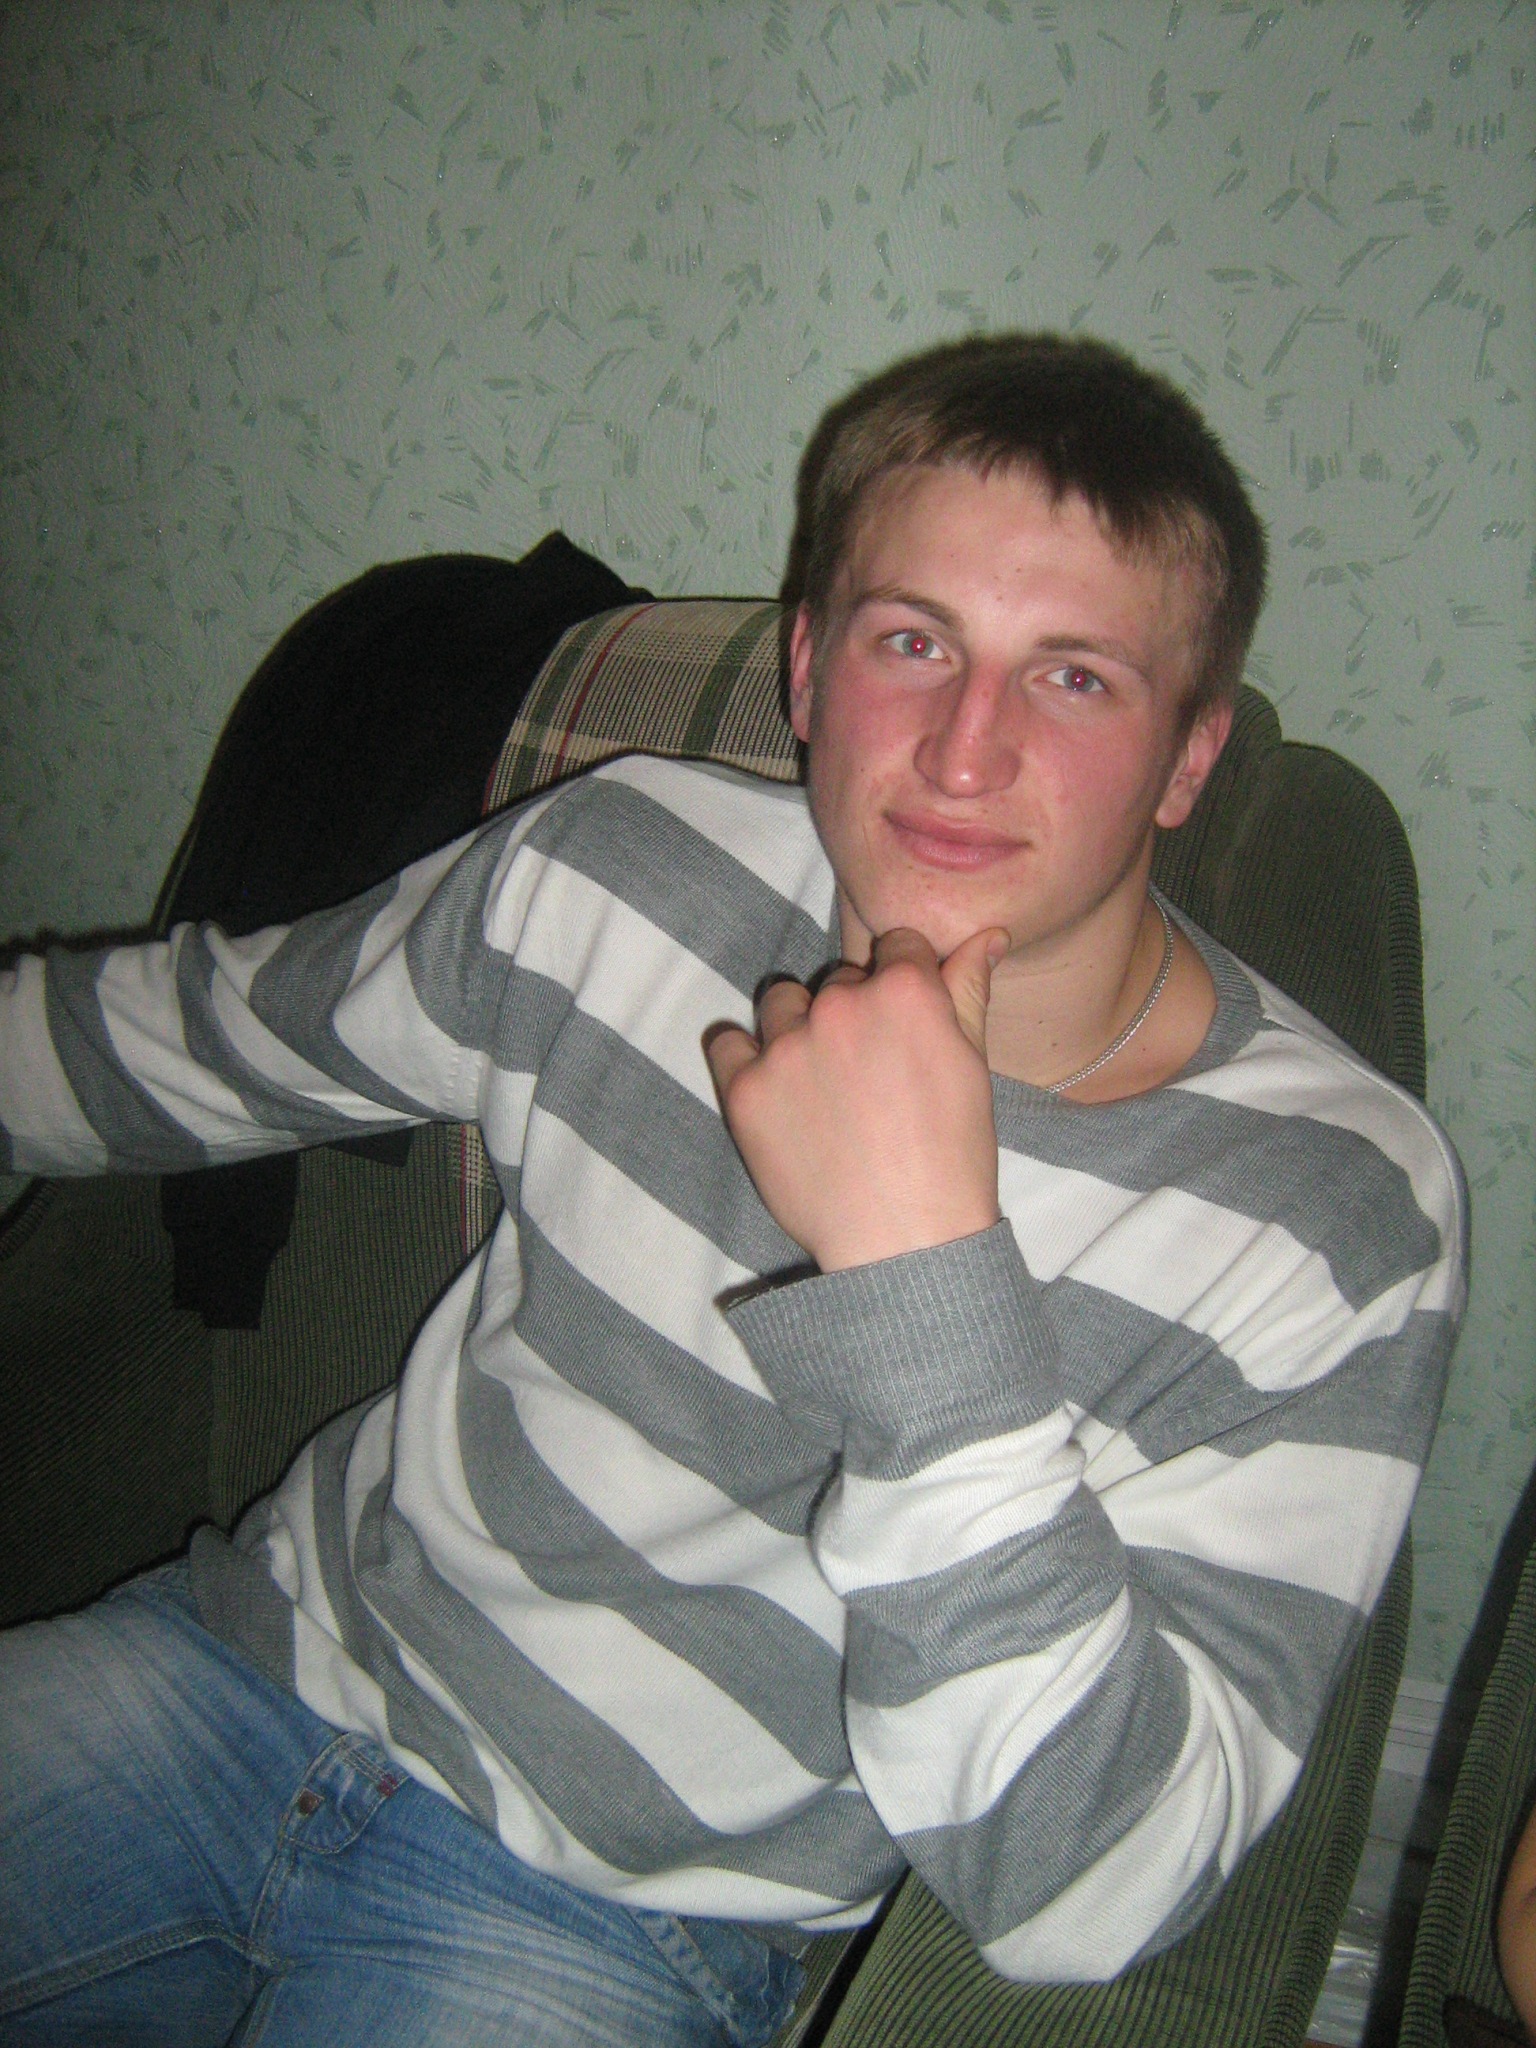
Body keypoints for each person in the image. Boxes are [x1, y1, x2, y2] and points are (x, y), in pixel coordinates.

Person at [0, 334, 1466, 2047]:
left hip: (628, 1925)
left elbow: (1091, 1885)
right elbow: (202, 1039)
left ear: (1189, 760)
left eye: (1073, 678)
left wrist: (922, 1278)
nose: (966, 750)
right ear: (809, 668)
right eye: (913, 642)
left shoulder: (1337, 1208)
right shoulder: (621, 863)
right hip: (250, 1676)